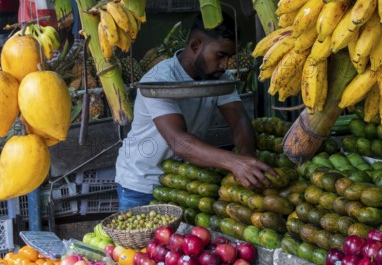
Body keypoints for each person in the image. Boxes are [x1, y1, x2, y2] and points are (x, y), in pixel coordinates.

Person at [115, 13, 276, 210]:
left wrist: (248, 158)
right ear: (195, 46)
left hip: (183, 180)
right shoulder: (159, 80)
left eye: (229, 57)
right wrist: (234, 163)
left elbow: (239, 120)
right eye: (220, 56)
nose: (225, 65)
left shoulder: (219, 77)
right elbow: (179, 142)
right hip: (143, 184)